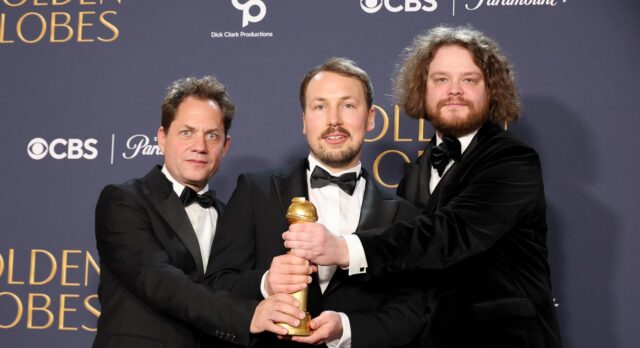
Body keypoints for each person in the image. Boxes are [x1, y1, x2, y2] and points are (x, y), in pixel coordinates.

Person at [283, 26, 562, 348]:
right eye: (441, 80)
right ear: (422, 89)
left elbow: (450, 233)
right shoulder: (416, 173)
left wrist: (345, 248)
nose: (454, 90)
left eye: (469, 80)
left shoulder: (512, 160)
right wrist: (345, 326)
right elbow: (406, 282)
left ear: (492, 90)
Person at [208, 58, 426, 347]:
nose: (333, 119)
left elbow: (411, 313)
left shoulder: (404, 215)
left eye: (348, 105)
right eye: (320, 106)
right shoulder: (254, 191)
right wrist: (266, 283)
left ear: (371, 118)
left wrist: (346, 329)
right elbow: (214, 287)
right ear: (304, 120)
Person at [93, 76, 304, 348]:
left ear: (225, 146)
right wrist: (249, 315)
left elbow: (228, 283)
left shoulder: (232, 217)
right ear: (162, 138)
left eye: (212, 135)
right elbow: (159, 281)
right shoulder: (123, 201)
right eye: (186, 132)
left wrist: (266, 283)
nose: (200, 146)